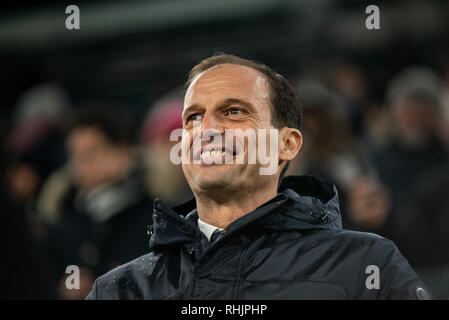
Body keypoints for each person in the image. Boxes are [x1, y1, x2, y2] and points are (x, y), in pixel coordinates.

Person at [86, 54, 430, 300]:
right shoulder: (119, 290)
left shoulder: (366, 266)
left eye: (234, 112)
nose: (205, 130)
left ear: (287, 144)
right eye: (193, 117)